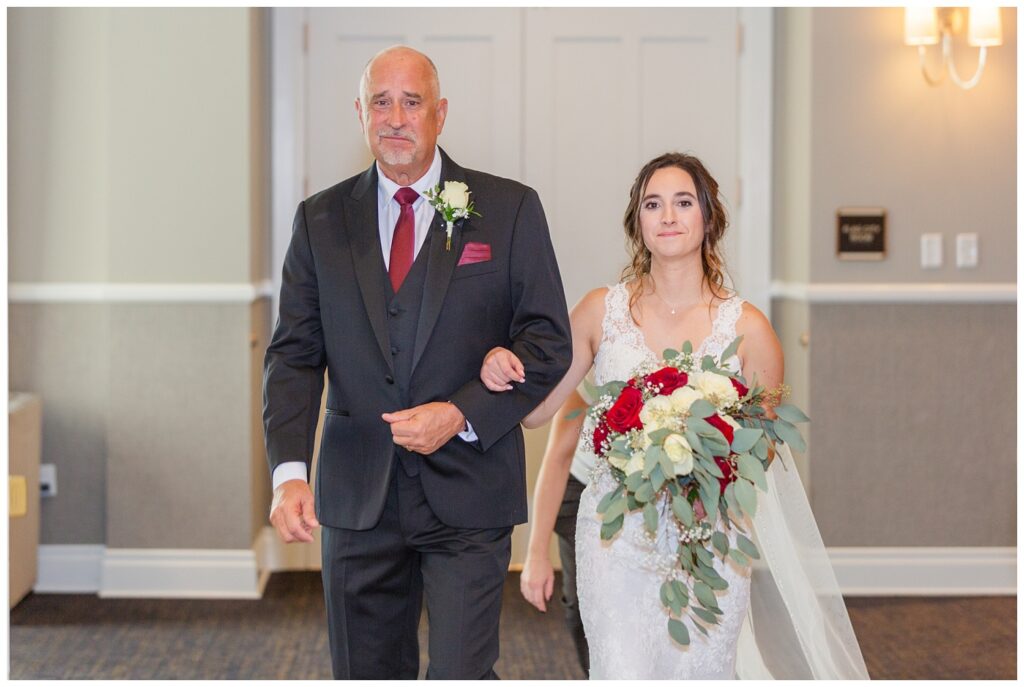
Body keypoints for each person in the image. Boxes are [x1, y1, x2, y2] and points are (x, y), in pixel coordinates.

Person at [480, 152, 869, 679]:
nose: (667, 216)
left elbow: (762, 452)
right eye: (652, 204)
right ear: (637, 223)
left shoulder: (749, 329)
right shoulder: (601, 311)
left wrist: (698, 455)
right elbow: (537, 413)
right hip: (615, 539)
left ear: (709, 218)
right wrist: (504, 365)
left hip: (710, 540)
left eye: (683, 203)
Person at [263, 45, 572, 680]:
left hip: (469, 491)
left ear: (440, 113)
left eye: (412, 102)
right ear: (360, 113)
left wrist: (460, 413)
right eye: (381, 102)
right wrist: (289, 473)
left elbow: (547, 344)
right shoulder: (319, 220)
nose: (396, 117)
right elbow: (294, 355)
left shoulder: (510, 209)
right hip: (356, 497)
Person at [518, 387, 591, 675]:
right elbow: (558, 457)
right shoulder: (600, 359)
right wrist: (536, 555)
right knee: (581, 606)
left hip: (662, 497)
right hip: (586, 488)